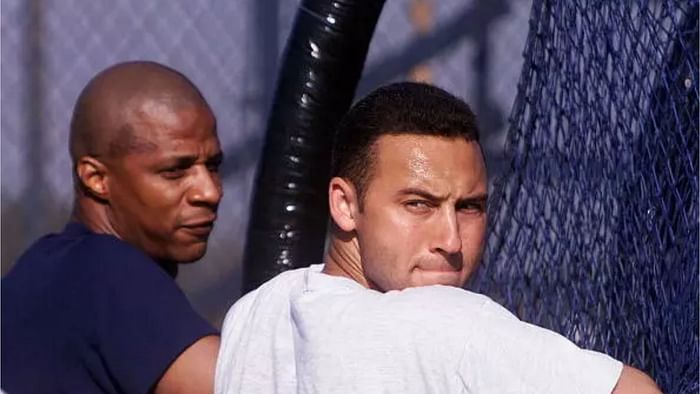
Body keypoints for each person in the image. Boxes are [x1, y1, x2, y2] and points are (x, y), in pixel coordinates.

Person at [214, 82, 661, 393]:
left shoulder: (257, 312)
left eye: (470, 207)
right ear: (345, 205)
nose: (451, 239)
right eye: (418, 204)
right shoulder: (447, 322)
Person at [2, 61, 223, 394]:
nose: (209, 192)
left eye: (213, 166)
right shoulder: (107, 271)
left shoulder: (38, 271)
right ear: (96, 178)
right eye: (175, 171)